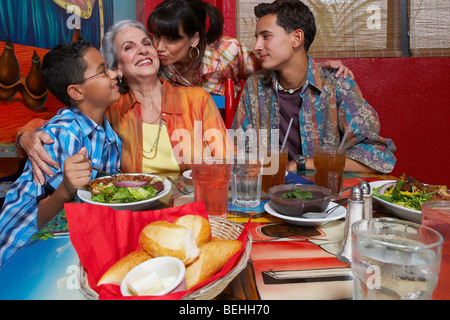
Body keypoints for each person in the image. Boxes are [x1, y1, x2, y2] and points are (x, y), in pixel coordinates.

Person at [16, 20, 231, 185]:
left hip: (194, 204)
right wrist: (26, 136)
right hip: (139, 209)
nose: (143, 50)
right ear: (116, 67)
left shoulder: (196, 99)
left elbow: (226, 161)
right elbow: (60, 123)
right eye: (129, 47)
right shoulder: (112, 108)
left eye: (146, 43)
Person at [232, 0, 396, 173]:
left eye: (266, 36)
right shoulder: (255, 87)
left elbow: (377, 155)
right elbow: (238, 150)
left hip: (326, 194)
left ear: (296, 38)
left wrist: (302, 164)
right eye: (256, 38)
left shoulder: (336, 85)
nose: (257, 46)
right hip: (271, 193)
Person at [0, 39, 122, 265]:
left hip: (59, 248)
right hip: (19, 250)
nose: (115, 74)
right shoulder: (61, 133)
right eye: (103, 71)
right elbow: (42, 217)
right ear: (76, 91)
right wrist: (66, 188)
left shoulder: (112, 140)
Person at [147, 0, 354, 95]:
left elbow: (273, 65)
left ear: (194, 39)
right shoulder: (154, 61)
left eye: (171, 39)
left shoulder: (226, 52)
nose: (158, 47)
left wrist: (319, 68)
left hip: (222, 135)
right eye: (156, 36)